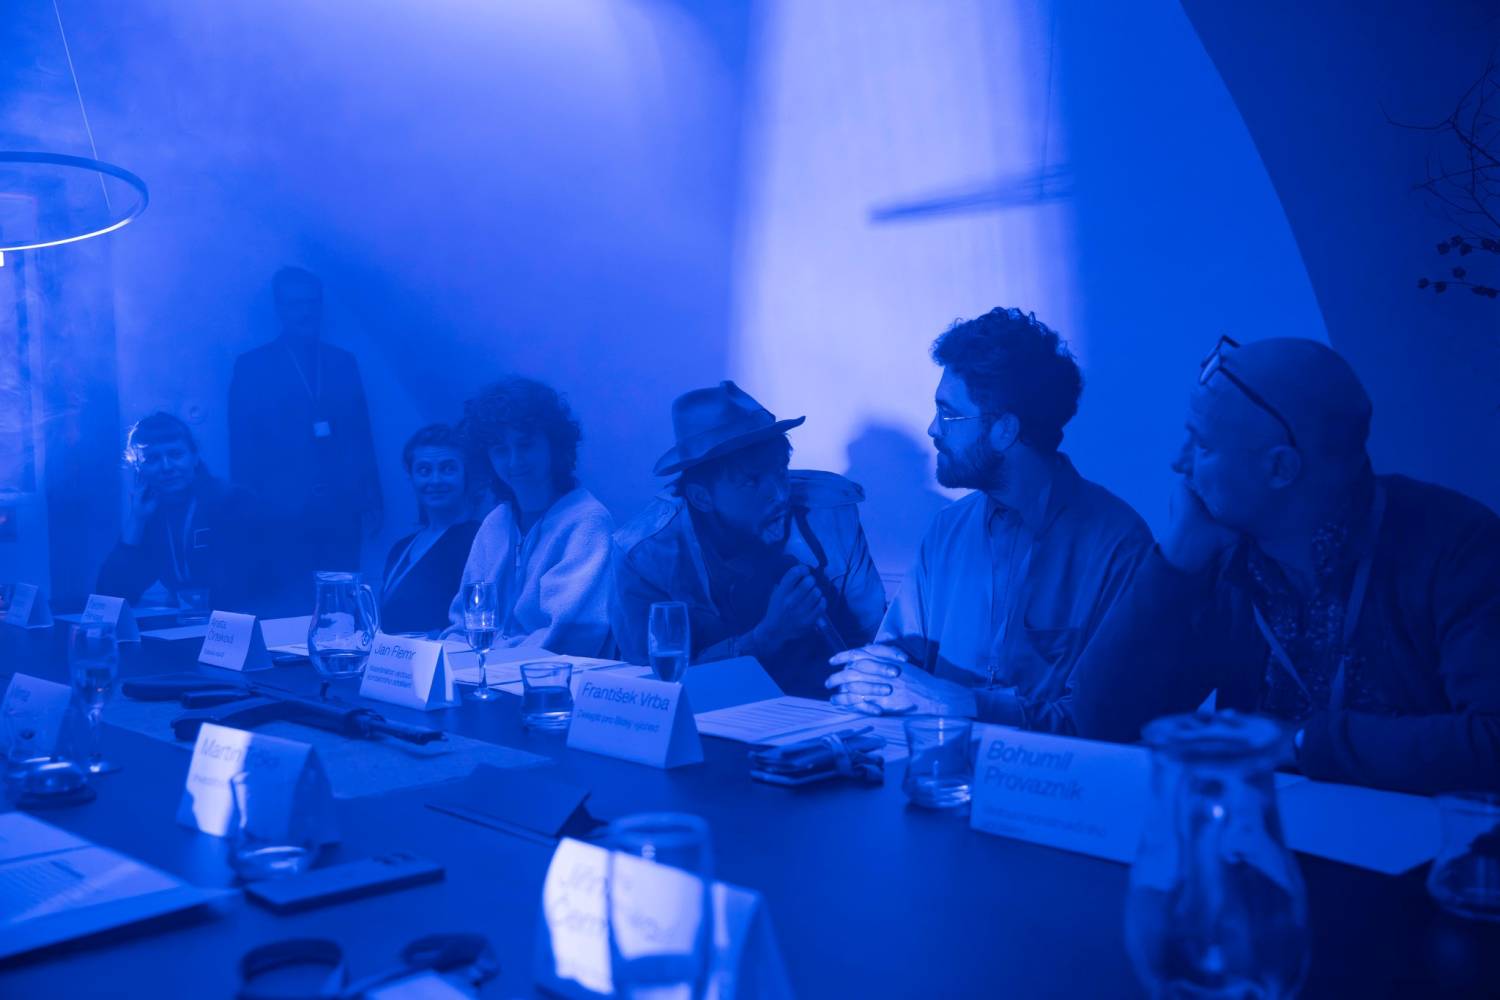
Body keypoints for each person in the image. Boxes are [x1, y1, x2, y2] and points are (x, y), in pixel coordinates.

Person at [1072, 337, 1500, 794]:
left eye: (1202, 446)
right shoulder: (1222, 556)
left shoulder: (1458, 546)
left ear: (1280, 468)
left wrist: (1299, 743)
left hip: (1419, 837)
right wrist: (1174, 562)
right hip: (1264, 829)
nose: (1178, 462)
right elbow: (1101, 722)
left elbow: (1491, 740)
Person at [825, 308, 1152, 731]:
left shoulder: (1119, 545)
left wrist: (957, 702)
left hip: (1049, 773)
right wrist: (873, 680)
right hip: (932, 765)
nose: (933, 429)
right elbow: (896, 660)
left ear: (1005, 430)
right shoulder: (947, 530)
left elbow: (1099, 721)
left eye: (948, 413)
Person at [611, 381, 886, 695]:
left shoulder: (832, 519)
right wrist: (766, 636)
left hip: (827, 709)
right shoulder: (645, 555)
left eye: (780, 471)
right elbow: (651, 688)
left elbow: (873, 641)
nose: (779, 494)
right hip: (706, 715)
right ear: (702, 497)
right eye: (751, 481)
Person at [228, 267, 382, 609]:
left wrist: (372, 496)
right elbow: (242, 448)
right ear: (279, 308)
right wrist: (247, 511)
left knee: (341, 605)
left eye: (312, 303)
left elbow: (361, 433)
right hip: (280, 512)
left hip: (340, 509)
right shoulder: (252, 366)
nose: (306, 311)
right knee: (288, 604)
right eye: (295, 304)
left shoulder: (343, 362)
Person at [444, 377, 614, 657]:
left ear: (554, 446)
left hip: (556, 680)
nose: (514, 461)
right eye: (501, 450)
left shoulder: (588, 521)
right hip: (486, 673)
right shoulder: (495, 523)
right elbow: (463, 625)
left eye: (525, 445)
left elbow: (566, 635)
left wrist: (486, 654)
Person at [97, 412, 270, 611]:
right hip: (190, 624)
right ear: (139, 468)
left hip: (242, 623)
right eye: (152, 458)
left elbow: (257, 587)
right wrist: (136, 520)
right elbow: (112, 597)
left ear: (194, 457)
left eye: (176, 454)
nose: (166, 467)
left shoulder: (234, 502)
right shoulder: (153, 515)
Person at [379, 424, 480, 635]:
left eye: (448, 468)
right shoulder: (400, 549)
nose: (435, 480)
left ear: (466, 475)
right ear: (412, 477)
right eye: (424, 470)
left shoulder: (480, 540)